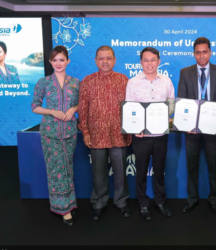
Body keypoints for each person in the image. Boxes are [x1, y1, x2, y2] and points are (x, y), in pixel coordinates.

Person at [177, 37, 216, 216]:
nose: (201, 55)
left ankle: (214, 199)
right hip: (191, 129)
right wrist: (185, 124)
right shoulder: (185, 72)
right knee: (191, 165)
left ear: (210, 52)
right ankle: (192, 199)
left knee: (213, 165)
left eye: (205, 51)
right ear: (194, 54)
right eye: (198, 52)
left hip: (213, 126)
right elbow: (181, 100)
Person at [78, 45, 132, 221]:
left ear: (115, 60)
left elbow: (131, 108)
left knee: (120, 172)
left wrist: (130, 130)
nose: (105, 61)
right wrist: (85, 132)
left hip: (119, 134)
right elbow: (83, 109)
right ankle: (99, 203)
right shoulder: (87, 81)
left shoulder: (124, 80)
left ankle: (121, 202)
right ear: (95, 61)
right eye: (101, 58)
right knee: (98, 172)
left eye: (108, 58)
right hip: (96, 135)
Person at [31, 46, 79, 226]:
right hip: (50, 133)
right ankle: (62, 208)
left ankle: (70, 202)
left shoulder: (75, 82)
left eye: (62, 60)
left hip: (70, 131)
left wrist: (73, 109)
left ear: (68, 61)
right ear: (50, 62)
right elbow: (35, 106)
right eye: (55, 60)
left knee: (67, 167)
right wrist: (52, 111)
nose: (58, 63)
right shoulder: (43, 82)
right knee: (55, 170)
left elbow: (82, 104)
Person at [125, 47, 175, 221]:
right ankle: (143, 203)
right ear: (140, 62)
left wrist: (169, 118)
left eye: (153, 60)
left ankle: (160, 201)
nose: (149, 63)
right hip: (141, 137)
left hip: (161, 136)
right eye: (146, 60)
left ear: (159, 61)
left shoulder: (166, 81)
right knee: (141, 172)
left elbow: (171, 105)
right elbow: (130, 109)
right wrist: (134, 128)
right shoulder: (132, 82)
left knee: (160, 170)